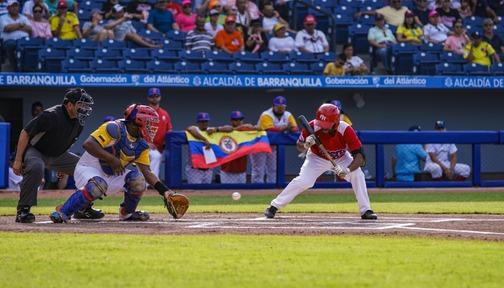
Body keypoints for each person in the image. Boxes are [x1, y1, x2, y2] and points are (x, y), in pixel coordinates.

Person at [49, 104, 181, 223]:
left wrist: (165, 191)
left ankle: (127, 213)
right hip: (88, 168)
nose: (151, 128)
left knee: (138, 180)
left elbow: (147, 172)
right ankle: (63, 212)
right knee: (98, 185)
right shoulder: (114, 128)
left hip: (113, 173)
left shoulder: (141, 144)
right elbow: (88, 144)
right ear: (138, 120)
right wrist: (111, 159)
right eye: (149, 123)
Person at [264, 103, 377, 220]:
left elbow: (360, 156)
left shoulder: (345, 129)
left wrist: (347, 170)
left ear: (336, 123)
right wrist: (306, 144)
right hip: (316, 158)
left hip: (341, 157)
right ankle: (273, 206)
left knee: (357, 175)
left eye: (327, 126)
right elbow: (299, 146)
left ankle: (366, 210)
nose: (323, 128)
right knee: (304, 181)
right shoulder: (312, 126)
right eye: (321, 125)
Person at [12, 88, 94, 223]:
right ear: (69, 105)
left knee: (87, 169)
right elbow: (25, 132)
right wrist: (18, 159)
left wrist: (61, 167)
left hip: (58, 155)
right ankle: (23, 210)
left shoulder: (79, 122)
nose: (84, 108)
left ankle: (83, 208)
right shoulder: (51, 115)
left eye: (85, 105)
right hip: (37, 151)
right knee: (36, 166)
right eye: (81, 104)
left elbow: (66, 143)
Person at [251, 96, 298, 184]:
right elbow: (270, 130)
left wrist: (289, 128)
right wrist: (285, 128)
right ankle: (257, 189)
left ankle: (271, 188)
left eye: (282, 107)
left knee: (273, 168)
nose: (280, 109)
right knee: (259, 168)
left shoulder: (288, 115)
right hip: (260, 144)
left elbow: (295, 128)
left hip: (273, 145)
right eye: (278, 107)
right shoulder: (266, 114)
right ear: (274, 106)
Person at [185, 112, 228, 184]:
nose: (204, 123)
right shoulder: (195, 129)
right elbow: (190, 129)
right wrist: (204, 139)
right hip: (195, 170)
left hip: (208, 169)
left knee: (206, 190)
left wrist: (217, 129)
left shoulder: (211, 130)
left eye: (206, 121)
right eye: (202, 121)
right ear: (198, 122)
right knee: (195, 191)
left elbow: (229, 128)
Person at [219, 111, 257, 184]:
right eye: (236, 120)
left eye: (240, 120)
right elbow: (220, 129)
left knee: (240, 193)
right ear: (231, 121)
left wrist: (253, 127)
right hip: (227, 170)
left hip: (241, 170)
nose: (238, 122)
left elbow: (259, 128)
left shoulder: (246, 131)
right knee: (226, 193)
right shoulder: (225, 131)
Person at [145, 88, 172, 178]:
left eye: (157, 96)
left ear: (160, 97)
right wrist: (145, 143)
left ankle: (150, 183)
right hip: (143, 146)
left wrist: (166, 144)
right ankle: (153, 183)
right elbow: (136, 130)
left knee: (157, 157)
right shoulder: (143, 112)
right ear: (148, 98)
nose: (154, 98)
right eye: (152, 96)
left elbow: (169, 131)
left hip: (160, 147)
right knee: (155, 156)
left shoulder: (164, 113)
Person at [0, 0, 32, 70]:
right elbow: (7, 28)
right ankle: (14, 67)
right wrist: (21, 25)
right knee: (11, 44)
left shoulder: (23, 17)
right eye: (12, 6)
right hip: (9, 41)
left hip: (23, 41)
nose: (15, 8)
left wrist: (14, 27)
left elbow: (30, 29)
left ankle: (26, 67)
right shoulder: (3, 18)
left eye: (16, 6)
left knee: (29, 45)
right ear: (8, 8)